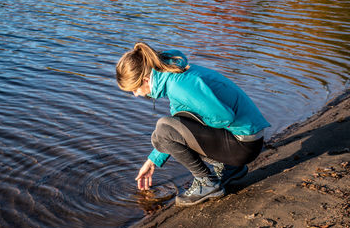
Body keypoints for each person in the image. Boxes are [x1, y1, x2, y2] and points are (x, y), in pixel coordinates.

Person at [116, 42, 270, 207]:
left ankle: (207, 183)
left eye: (134, 89)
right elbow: (177, 128)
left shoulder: (178, 85)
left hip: (243, 145)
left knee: (162, 129)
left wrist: (198, 125)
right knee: (162, 133)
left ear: (146, 80)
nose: (136, 95)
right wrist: (152, 161)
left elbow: (224, 117)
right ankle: (231, 169)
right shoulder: (173, 75)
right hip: (247, 139)